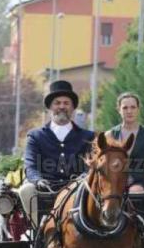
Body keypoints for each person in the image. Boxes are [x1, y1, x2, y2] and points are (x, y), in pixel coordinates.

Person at [19, 80, 94, 223]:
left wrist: (83, 177)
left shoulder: (87, 137)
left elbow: (90, 165)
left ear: (72, 108)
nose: (62, 106)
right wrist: (38, 180)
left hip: (76, 189)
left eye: (66, 103)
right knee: (25, 190)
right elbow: (30, 165)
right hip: (45, 189)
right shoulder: (35, 136)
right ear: (50, 107)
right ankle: (39, 231)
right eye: (57, 103)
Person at [106, 92, 144, 206]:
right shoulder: (109, 135)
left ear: (138, 109)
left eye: (133, 107)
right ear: (119, 110)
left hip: (138, 183)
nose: (129, 111)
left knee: (136, 193)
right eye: (125, 108)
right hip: (114, 183)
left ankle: (139, 223)